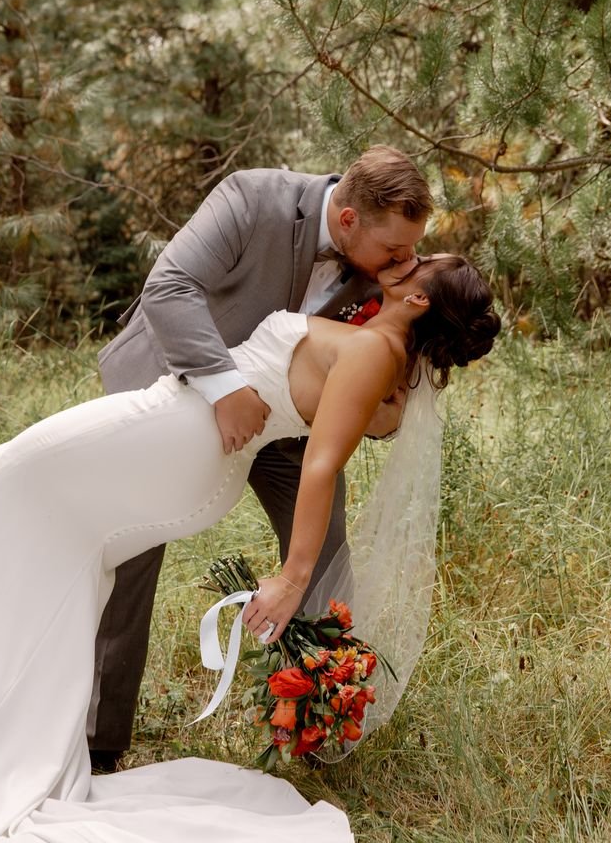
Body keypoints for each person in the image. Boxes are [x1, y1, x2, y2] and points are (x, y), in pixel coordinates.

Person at [0, 255, 499, 843]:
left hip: (179, 441)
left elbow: (321, 466)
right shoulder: (378, 349)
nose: (407, 258)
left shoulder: (371, 352)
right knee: (41, 544)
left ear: (417, 297)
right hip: (182, 437)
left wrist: (291, 577)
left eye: (422, 262)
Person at [92, 145, 434, 769]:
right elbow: (168, 287)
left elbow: (374, 409)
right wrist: (225, 387)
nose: (407, 262)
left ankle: (316, 721)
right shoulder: (252, 198)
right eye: (395, 250)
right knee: (132, 551)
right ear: (350, 218)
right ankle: (99, 738)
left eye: (413, 249)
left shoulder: (387, 280)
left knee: (325, 547)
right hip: (173, 393)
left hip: (282, 427)